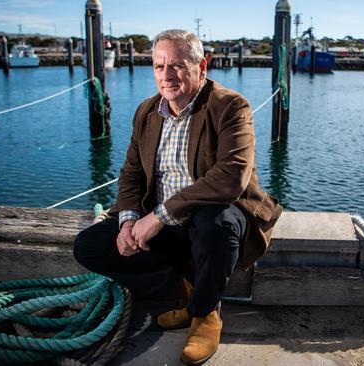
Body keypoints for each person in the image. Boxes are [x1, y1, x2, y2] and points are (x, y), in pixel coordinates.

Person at [74, 29, 282, 365]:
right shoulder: (146, 112)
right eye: (159, 66)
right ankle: (183, 289)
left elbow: (230, 178)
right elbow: (131, 175)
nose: (166, 75)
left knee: (215, 223)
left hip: (213, 213)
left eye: (177, 66)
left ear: (202, 65)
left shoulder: (230, 106)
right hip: (166, 224)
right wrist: (128, 220)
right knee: (89, 245)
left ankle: (205, 313)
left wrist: (156, 218)